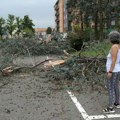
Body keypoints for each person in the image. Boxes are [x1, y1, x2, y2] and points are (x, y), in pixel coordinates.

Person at [103, 31, 120, 113]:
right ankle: (117, 103)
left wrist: (110, 71)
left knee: (111, 88)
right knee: (116, 86)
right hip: (117, 70)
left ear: (111, 39)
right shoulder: (118, 46)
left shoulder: (114, 47)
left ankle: (110, 108)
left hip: (113, 71)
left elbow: (113, 60)